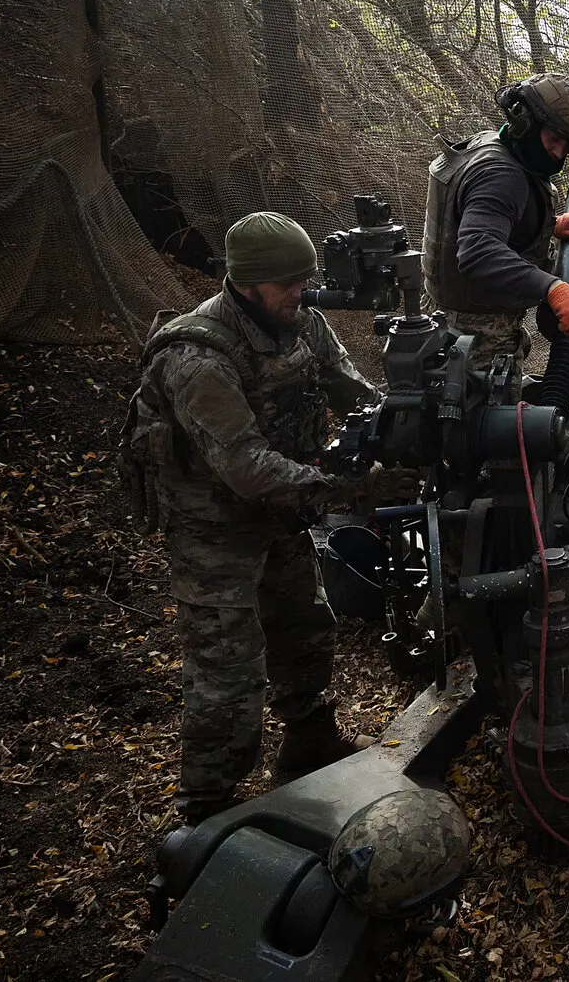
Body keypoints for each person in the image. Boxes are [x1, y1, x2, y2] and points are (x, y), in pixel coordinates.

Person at [124, 211, 419, 823]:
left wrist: (405, 426)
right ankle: (204, 808)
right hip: (214, 529)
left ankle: (308, 743)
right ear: (248, 284)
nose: (302, 292)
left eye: (306, 280)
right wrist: (351, 486)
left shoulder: (303, 324)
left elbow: (353, 392)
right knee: (227, 672)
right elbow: (247, 467)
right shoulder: (197, 355)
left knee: (304, 627)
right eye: (289, 283)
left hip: (281, 512)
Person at [422, 74, 569, 361]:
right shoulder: (502, 176)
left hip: (443, 317)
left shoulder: (490, 144)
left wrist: (549, 225)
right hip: (474, 336)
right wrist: (553, 288)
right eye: (554, 138)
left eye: (566, 147)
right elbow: (478, 252)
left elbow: (470, 219)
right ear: (525, 123)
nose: (558, 154)